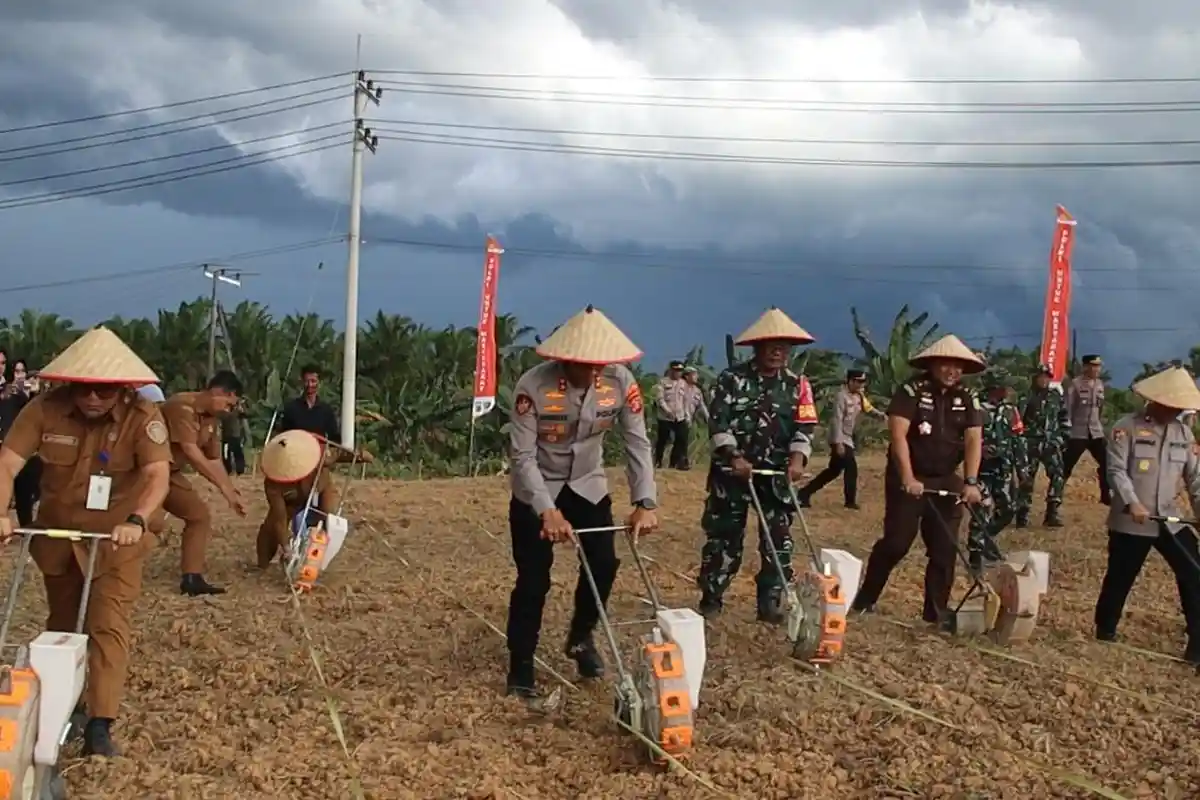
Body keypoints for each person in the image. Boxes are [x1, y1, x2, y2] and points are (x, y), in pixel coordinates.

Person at [0, 326, 171, 757]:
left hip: (116, 540)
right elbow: (7, 462)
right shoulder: (44, 409)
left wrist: (136, 519)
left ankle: (99, 722)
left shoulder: (144, 417)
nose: (94, 398)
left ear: (123, 389)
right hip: (56, 538)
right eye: (85, 389)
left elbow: (157, 476)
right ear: (71, 384)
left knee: (106, 625)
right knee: (60, 627)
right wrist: (1, 513)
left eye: (105, 391)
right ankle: (61, 706)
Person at [505, 305, 658, 700]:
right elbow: (521, 458)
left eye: (599, 366)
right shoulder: (532, 387)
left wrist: (645, 500)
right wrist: (547, 510)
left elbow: (636, 442)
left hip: (588, 483)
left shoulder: (621, 382)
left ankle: (580, 636)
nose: (594, 374)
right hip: (538, 487)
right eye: (584, 366)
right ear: (563, 359)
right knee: (533, 580)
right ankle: (521, 663)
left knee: (604, 563)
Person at [852, 335, 985, 625]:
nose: (953, 371)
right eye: (947, 364)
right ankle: (866, 597)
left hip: (946, 477)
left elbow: (974, 437)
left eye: (958, 366)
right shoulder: (911, 390)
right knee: (897, 543)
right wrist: (908, 477)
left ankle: (936, 613)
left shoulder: (967, 396)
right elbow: (898, 434)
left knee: (944, 548)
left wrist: (971, 481)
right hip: (910, 475)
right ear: (933, 364)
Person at [696, 307, 818, 620]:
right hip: (733, 473)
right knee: (724, 538)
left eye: (784, 346)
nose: (778, 352)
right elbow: (718, 423)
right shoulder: (731, 379)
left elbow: (805, 425)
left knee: (778, 540)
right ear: (757, 347)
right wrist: (734, 456)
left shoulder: (797, 384)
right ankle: (712, 596)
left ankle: (771, 603)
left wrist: (798, 458)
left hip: (776, 475)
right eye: (771, 345)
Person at [1096, 366, 1200, 664]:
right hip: (1132, 520)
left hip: (1169, 518)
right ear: (1156, 400)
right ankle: (1105, 630)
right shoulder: (1124, 428)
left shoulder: (1184, 434)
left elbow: (1195, 479)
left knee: (1194, 572)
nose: (1176, 410)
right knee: (1120, 577)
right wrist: (1131, 503)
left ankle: (1197, 645)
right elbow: (1115, 470)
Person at [160, 371, 247, 596]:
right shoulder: (181, 406)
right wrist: (225, 489)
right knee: (147, 525)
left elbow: (213, 458)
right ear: (218, 392)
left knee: (199, 516)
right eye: (229, 404)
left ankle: (192, 578)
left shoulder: (212, 420)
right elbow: (192, 452)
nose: (229, 410)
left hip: (170, 474)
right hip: (145, 472)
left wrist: (230, 491)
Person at [255, 429, 372, 568]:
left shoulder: (319, 454)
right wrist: (287, 548)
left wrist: (359, 455)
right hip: (291, 502)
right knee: (271, 528)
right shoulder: (273, 485)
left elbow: (339, 453)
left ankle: (318, 559)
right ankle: (263, 564)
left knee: (328, 518)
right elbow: (279, 519)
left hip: (321, 489)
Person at [797, 368, 883, 510]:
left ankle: (804, 493)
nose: (862, 385)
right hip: (840, 437)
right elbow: (836, 420)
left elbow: (869, 409)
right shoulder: (841, 397)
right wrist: (838, 443)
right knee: (851, 468)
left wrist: (883, 416)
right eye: (859, 381)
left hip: (848, 437)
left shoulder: (859, 396)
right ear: (850, 381)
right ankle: (850, 501)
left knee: (833, 471)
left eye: (863, 382)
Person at [967, 367, 1027, 570]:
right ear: (994, 387)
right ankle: (976, 552)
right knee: (982, 508)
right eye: (1004, 386)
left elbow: (1018, 439)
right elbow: (965, 438)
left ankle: (985, 539)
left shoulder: (1011, 410)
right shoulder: (977, 409)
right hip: (982, 468)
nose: (1007, 390)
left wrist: (1022, 467)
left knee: (1008, 509)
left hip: (1004, 467)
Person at [1016, 364, 1068, 528]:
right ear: (1035, 377)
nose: (1044, 379)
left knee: (1058, 476)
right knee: (1026, 479)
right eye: (1041, 376)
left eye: (1047, 376)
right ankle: (1022, 514)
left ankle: (1052, 513)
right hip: (1031, 443)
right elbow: (1017, 422)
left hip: (1051, 444)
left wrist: (1063, 437)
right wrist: (1020, 442)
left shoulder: (1055, 396)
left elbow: (1064, 417)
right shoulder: (1026, 396)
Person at [1064, 354, 1111, 505]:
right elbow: (1068, 408)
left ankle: (1105, 495)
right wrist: (1066, 429)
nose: (1096, 369)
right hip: (1078, 432)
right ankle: (1055, 498)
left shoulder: (1099, 384)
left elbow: (1100, 408)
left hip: (1096, 431)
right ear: (1085, 367)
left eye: (1098, 366)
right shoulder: (1075, 384)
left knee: (1107, 462)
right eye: (1092, 365)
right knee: (1066, 466)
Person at [2, 359, 43, 526]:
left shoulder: (16, 395)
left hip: (16, 450)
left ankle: (27, 530)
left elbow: (31, 421)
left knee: (25, 494)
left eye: (3, 363)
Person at [278, 364, 340, 443]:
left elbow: (333, 439)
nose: (310, 385)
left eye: (313, 381)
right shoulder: (291, 409)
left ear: (319, 383)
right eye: (306, 381)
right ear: (302, 382)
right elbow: (283, 437)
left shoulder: (326, 411)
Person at [653, 360, 690, 469]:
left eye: (680, 370)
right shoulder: (662, 382)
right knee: (663, 439)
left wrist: (687, 415)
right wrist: (667, 411)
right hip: (665, 417)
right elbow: (660, 399)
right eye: (676, 370)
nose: (678, 373)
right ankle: (658, 461)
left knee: (681, 439)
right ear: (671, 370)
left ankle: (675, 462)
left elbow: (685, 400)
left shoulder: (683, 383)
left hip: (680, 416)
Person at [221, 398, 248, 476]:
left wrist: (240, 407)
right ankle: (227, 470)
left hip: (235, 436)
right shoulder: (224, 411)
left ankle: (240, 470)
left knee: (238, 454)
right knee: (226, 454)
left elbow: (245, 415)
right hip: (226, 436)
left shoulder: (237, 411)